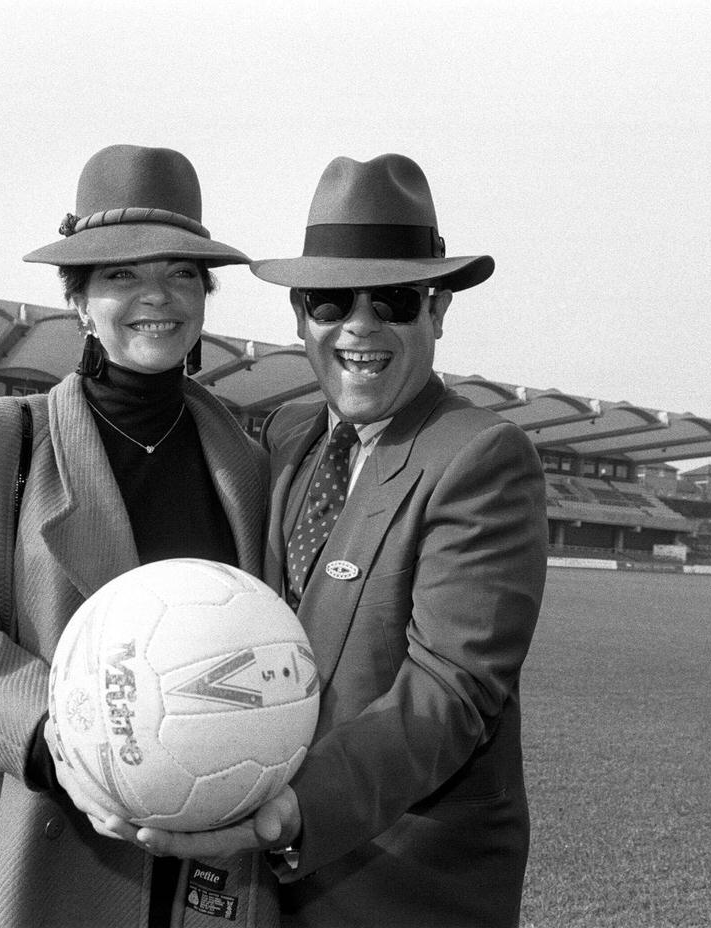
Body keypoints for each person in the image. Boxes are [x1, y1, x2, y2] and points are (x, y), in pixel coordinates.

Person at [134, 154, 548, 928]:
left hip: (397, 890)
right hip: (255, 888)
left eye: (391, 299)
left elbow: (450, 691)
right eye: (330, 300)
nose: (359, 325)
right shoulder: (288, 435)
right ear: (298, 314)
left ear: (437, 309)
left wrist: (290, 809)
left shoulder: (480, 457)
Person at [0, 144, 274, 928]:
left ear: (204, 297)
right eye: (121, 276)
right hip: (48, 833)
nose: (155, 298)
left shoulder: (246, 460)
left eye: (179, 274)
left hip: (211, 842)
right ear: (77, 300)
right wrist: (67, 744)